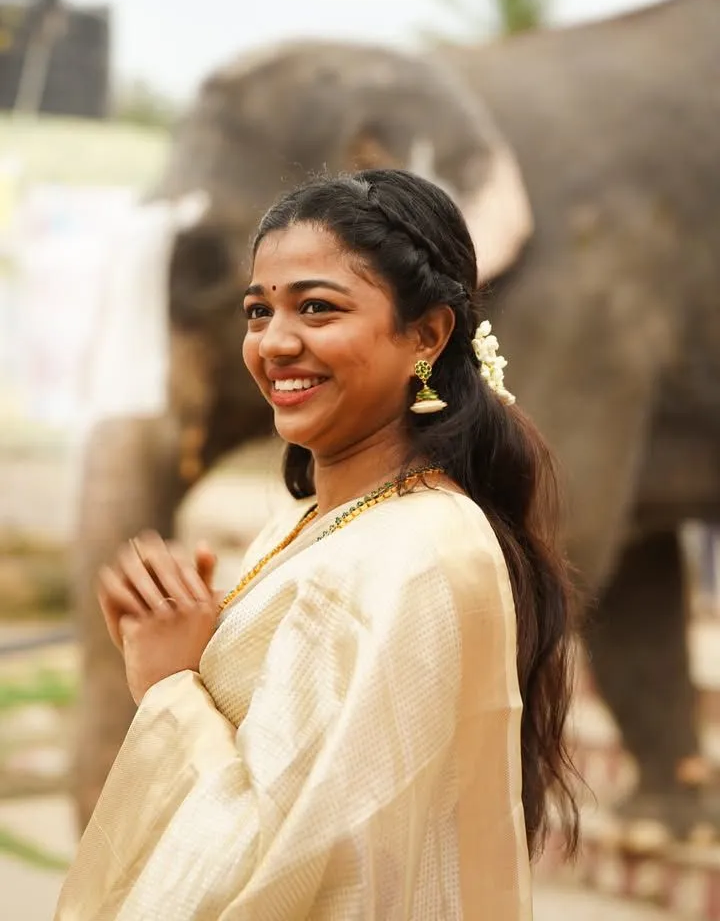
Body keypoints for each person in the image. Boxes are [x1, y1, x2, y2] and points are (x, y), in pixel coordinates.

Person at [55, 169, 578, 920]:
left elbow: (295, 869)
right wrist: (186, 665)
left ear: (427, 335)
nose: (275, 343)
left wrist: (171, 691)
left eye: (317, 308)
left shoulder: (417, 555)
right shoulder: (313, 524)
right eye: (257, 311)